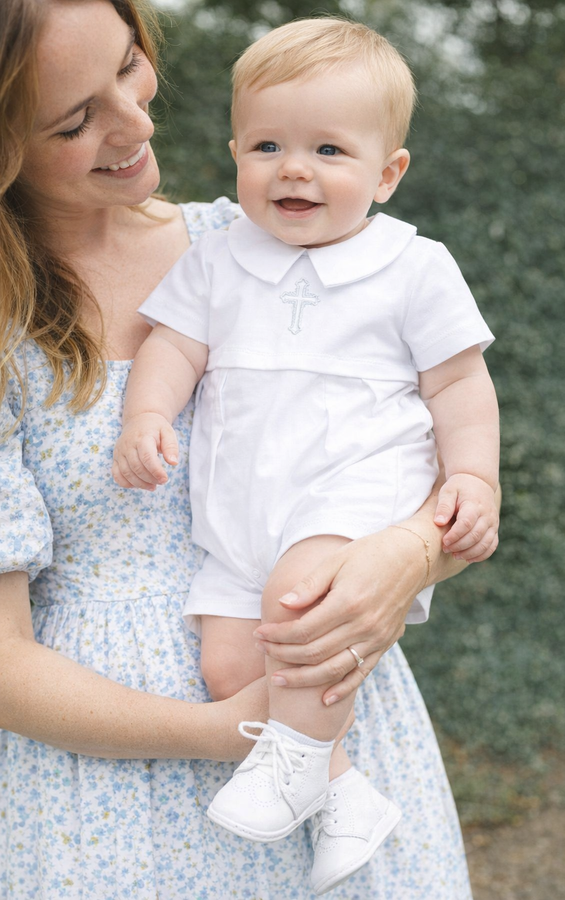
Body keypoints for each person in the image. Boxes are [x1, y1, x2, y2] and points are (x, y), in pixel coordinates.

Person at [0, 1, 497, 898]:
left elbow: (418, 456)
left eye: (129, 66)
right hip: (106, 790)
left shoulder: (258, 238)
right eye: (75, 119)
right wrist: (232, 729)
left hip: (330, 698)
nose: (136, 121)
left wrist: (412, 553)